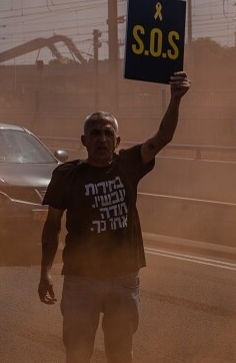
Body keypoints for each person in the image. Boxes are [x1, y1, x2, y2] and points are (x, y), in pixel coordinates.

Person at [38, 71, 190, 363]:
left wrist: (175, 99)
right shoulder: (66, 175)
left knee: (120, 354)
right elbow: (51, 227)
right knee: (77, 353)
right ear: (83, 140)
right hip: (80, 278)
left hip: (123, 277)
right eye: (95, 133)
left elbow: (163, 137)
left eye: (108, 133)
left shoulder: (130, 165)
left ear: (117, 140)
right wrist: (45, 271)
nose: (102, 139)